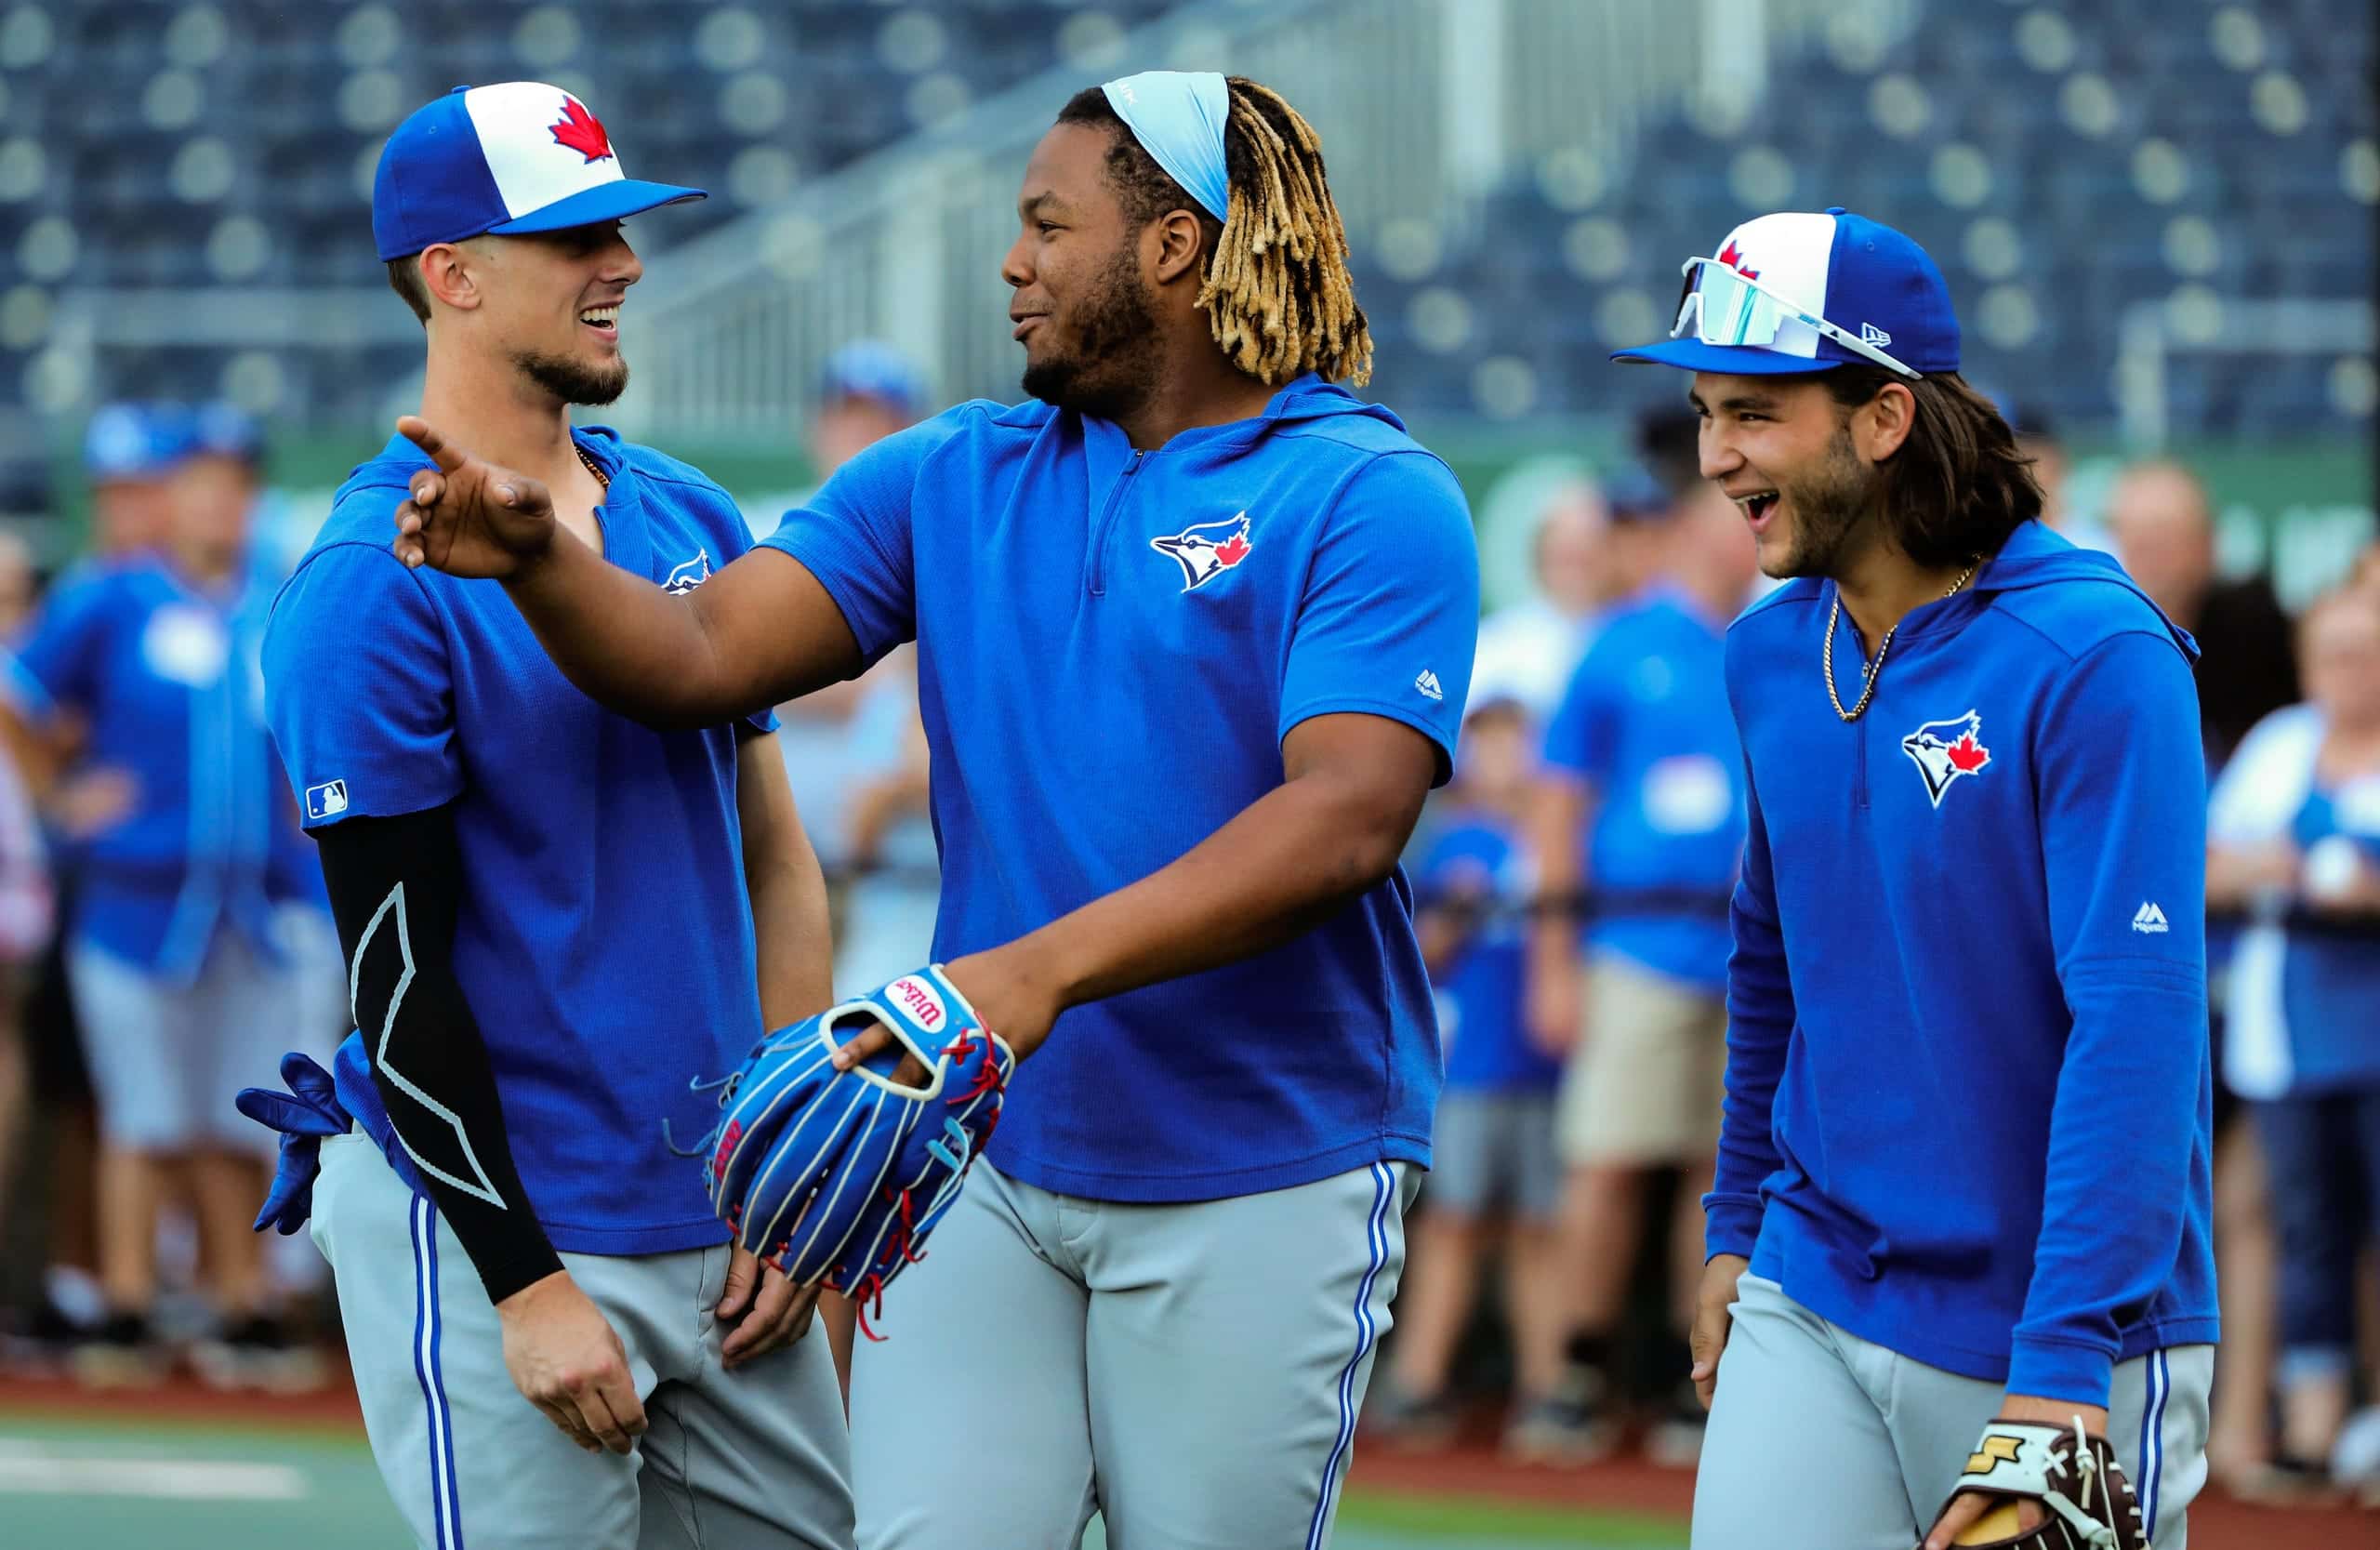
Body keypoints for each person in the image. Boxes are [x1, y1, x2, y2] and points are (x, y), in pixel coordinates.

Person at [385, 69, 1478, 1550]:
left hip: (1264, 1161)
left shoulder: (1368, 490)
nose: (1013, 263)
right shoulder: (951, 471)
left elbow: (1349, 818)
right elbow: (699, 655)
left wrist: (1027, 973)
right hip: (983, 1152)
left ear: (1172, 248)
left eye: (1047, 223)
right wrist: (540, 564)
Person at [257, 84, 849, 1547]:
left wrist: (792, 1172)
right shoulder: (370, 576)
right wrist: (521, 1279)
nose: (627, 263)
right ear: (451, 273)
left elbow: (774, 854)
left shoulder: (695, 516)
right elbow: (393, 977)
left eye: (623, 228)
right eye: (576, 231)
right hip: (504, 1225)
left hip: (721, 1217)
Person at [1612, 208, 2217, 1549]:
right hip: (1814, 1280)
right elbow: (1773, 962)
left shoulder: (2097, 650)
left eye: (1755, 413)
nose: (1716, 457)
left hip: (2061, 1334)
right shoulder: (1767, 652)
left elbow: (2141, 1019)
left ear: (1883, 418)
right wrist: (1732, 1224)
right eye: (1708, 413)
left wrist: (2063, 1359)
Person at [0, 404, 316, 1389]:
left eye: (235, 485)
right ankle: (130, 1305)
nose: (218, 503)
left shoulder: (277, 598)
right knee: (141, 1115)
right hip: (135, 902)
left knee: (237, 1116)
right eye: (199, 483)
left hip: (253, 907)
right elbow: (19, 685)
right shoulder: (113, 597)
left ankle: (243, 1303)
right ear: (168, 497)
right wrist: (59, 791)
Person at [1523, 474, 1754, 1469]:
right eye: (1717, 523)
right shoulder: (1620, 643)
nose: (1733, 541)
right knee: (1610, 1158)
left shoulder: (1782, 638)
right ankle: (1574, 1372)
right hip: (1634, 940)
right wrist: (1553, 959)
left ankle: (1690, 1378)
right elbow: (1559, 805)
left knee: (1720, 1174)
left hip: (1748, 951)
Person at [2205, 585, 2380, 1497]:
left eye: (2363, 653)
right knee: (2308, 1225)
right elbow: (2199, 864)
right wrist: (2259, 866)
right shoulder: (2279, 745)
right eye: (2332, 653)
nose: (2347, 673)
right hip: (2292, 1031)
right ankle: (2312, 1431)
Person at [1366, 696, 1567, 1454]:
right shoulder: (1458, 843)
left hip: (1542, 1066)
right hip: (1472, 1066)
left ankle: (1548, 1392)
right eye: (1492, 748)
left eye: (1520, 746)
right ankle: (1418, 1384)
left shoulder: (1553, 840)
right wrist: (1464, 906)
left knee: (1539, 1228)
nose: (1507, 765)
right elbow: (1422, 953)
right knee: (1453, 1224)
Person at [2109, 458, 2298, 770]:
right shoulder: (2086, 645)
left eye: (2165, 532)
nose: (2150, 549)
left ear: (2208, 542)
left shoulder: (2259, 638)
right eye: (2137, 534)